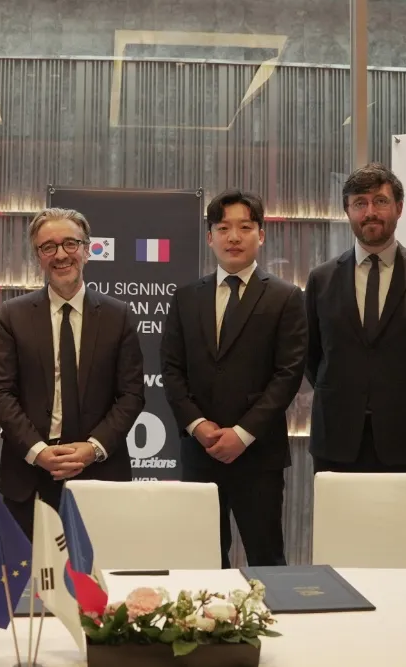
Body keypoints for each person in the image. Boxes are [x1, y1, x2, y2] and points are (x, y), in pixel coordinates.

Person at [160, 189, 307, 568]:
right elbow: (172, 370)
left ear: (261, 234)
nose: (233, 236)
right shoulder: (186, 297)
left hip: (258, 455)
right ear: (210, 237)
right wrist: (197, 425)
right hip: (200, 452)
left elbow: (287, 374)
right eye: (223, 228)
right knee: (203, 559)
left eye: (244, 227)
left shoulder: (286, 297)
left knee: (266, 558)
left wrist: (241, 434)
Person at [0, 207, 145, 538]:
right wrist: (38, 451)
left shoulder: (118, 316)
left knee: (97, 584)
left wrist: (93, 447)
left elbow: (131, 395)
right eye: (48, 247)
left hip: (100, 474)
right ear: (38, 257)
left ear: (87, 250)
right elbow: (0, 393)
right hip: (29, 476)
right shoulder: (13, 316)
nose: (60, 255)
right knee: (29, 585)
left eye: (70, 244)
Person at [305, 163, 406, 473]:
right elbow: (311, 355)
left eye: (380, 201)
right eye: (359, 203)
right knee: (340, 523)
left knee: (404, 523)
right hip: (336, 437)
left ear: (399, 208)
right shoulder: (321, 279)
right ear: (347, 211)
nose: (370, 212)